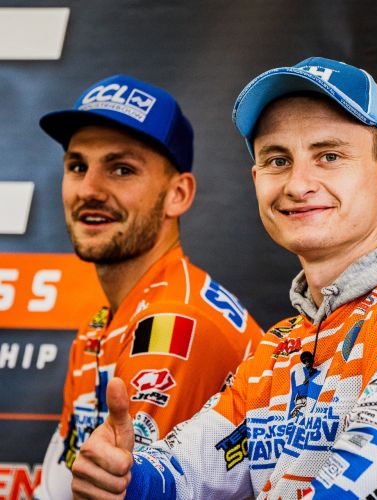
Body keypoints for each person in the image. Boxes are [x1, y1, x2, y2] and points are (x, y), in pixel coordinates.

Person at [70, 58, 377, 499]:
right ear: (256, 179)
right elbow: (189, 472)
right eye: (278, 160)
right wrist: (126, 478)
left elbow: (355, 490)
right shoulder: (282, 346)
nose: (297, 184)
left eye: (329, 156)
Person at [34, 74, 263, 499]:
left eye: (121, 169)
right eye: (77, 166)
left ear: (178, 194)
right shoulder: (98, 328)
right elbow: (57, 486)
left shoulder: (176, 322)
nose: (89, 189)